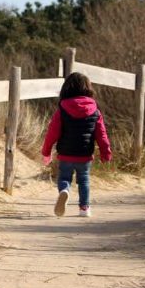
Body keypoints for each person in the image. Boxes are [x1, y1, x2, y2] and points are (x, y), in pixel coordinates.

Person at [41, 72, 112, 217]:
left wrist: (46, 151)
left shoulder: (62, 109)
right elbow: (102, 134)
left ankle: (64, 190)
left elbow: (52, 133)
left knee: (64, 178)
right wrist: (106, 153)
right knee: (84, 180)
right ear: (88, 88)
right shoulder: (95, 111)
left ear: (67, 88)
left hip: (66, 154)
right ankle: (84, 208)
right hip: (85, 154)